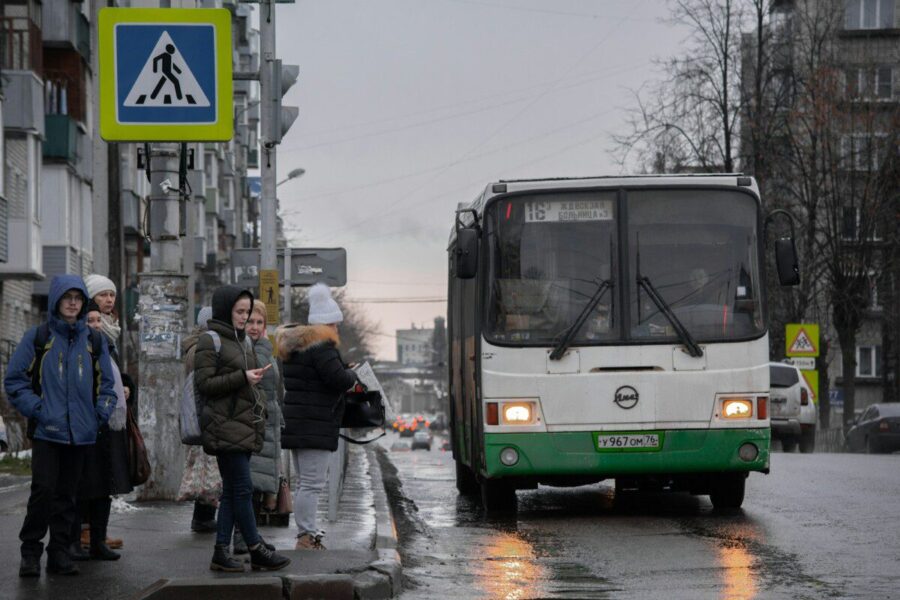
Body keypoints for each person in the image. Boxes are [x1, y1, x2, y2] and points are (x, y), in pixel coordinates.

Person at [4, 275, 117, 577]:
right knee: (43, 492)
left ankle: (59, 553)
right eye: (67, 297)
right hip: (47, 431)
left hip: (81, 433)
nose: (72, 303)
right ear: (56, 301)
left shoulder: (94, 341)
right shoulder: (39, 337)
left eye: (77, 298)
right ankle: (30, 553)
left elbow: (107, 386)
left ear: (83, 303)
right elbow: (14, 380)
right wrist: (39, 410)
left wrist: (98, 416)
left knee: (68, 496)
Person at [194, 285, 290, 572]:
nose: (244, 318)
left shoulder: (242, 341)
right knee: (243, 489)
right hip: (223, 426)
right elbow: (205, 384)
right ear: (226, 310)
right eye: (240, 312)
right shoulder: (210, 340)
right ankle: (255, 547)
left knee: (233, 492)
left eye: (247, 312)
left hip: (243, 425)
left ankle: (221, 552)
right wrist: (242, 377)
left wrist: (253, 380)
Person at [276, 283, 359, 550]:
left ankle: (306, 532)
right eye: (335, 325)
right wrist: (352, 373)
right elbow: (337, 379)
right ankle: (306, 536)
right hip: (314, 424)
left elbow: (316, 376)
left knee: (305, 483)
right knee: (312, 484)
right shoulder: (322, 346)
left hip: (299, 422)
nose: (337, 330)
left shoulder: (298, 346)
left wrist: (341, 368)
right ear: (326, 324)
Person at [66, 301, 133, 562]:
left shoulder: (104, 346)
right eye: (90, 320)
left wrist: (126, 387)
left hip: (106, 425)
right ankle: (74, 541)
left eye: (98, 320)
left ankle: (98, 541)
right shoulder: (74, 347)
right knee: (82, 488)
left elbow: (112, 379)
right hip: (83, 426)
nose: (96, 325)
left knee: (104, 486)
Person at [232, 300, 283, 555]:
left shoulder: (262, 346)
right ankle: (242, 536)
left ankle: (252, 534)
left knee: (258, 485)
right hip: (251, 423)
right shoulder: (248, 347)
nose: (254, 326)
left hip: (267, 424)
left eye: (259, 322)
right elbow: (257, 376)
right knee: (248, 485)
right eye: (250, 321)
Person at [177, 306, 222, 533]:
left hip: (199, 414)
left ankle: (203, 516)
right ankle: (203, 518)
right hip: (203, 414)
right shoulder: (201, 348)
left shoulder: (194, 345)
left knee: (205, 468)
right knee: (207, 468)